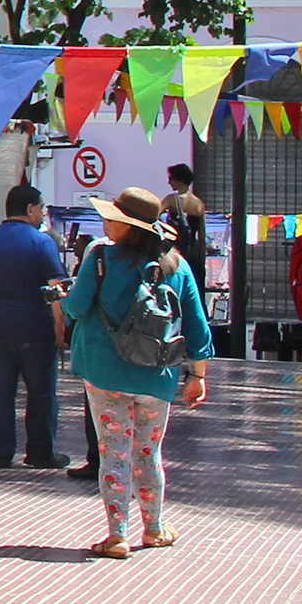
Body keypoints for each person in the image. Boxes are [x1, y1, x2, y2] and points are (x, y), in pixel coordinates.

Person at [60, 186, 214, 556]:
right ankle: (154, 528)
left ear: (127, 226)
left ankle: (117, 535)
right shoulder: (176, 266)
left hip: (104, 372)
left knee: (112, 453)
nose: (105, 222)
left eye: (112, 218)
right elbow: (197, 326)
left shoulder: (99, 257)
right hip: (156, 375)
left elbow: (77, 308)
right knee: (148, 453)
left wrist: (64, 297)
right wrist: (198, 376)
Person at [0, 184, 68, 468]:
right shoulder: (42, 242)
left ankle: (0, 452)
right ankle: (40, 452)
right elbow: (56, 286)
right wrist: (60, 323)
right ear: (31, 209)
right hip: (34, 327)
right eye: (42, 208)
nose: (44, 214)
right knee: (41, 393)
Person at [164, 164, 211, 276]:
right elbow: (202, 234)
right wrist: (202, 258)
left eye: (171, 178)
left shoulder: (171, 200)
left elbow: (154, 216)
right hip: (193, 252)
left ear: (179, 180)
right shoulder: (198, 203)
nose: (169, 182)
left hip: (175, 250)